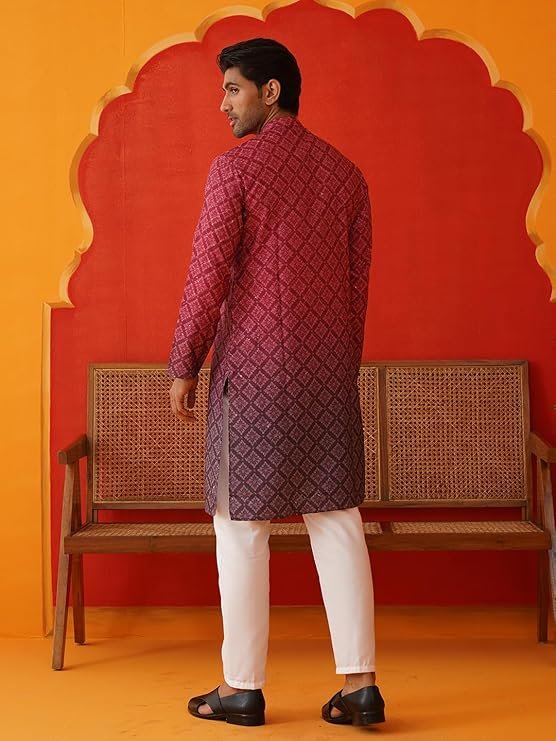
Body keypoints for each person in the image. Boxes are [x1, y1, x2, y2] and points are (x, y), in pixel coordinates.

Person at [168, 37, 385, 728]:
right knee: (338, 520)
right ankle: (360, 685)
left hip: (254, 379)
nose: (223, 103)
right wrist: (337, 370)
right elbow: (356, 292)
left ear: (270, 91)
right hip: (326, 376)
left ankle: (242, 688)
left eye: (233, 88)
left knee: (240, 528)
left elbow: (207, 275)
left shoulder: (234, 169)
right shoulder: (346, 175)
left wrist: (184, 362)